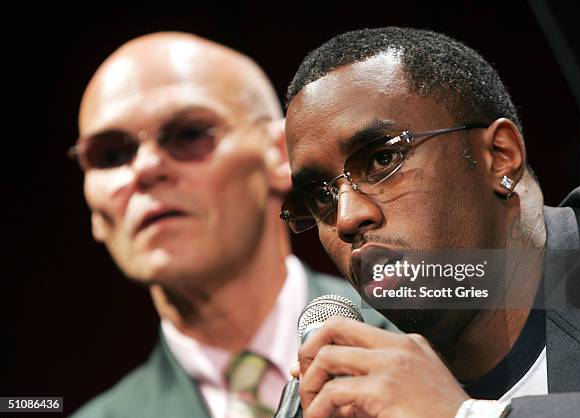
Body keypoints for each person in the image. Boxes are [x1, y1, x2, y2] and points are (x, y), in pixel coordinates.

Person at [281, 27, 580, 417]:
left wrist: (463, 414)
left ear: (500, 157)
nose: (348, 217)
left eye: (382, 160)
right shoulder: (376, 391)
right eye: (322, 197)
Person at [69, 32, 391, 418]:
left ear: (280, 154)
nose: (145, 168)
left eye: (188, 134)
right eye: (111, 154)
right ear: (95, 213)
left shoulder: (433, 345)